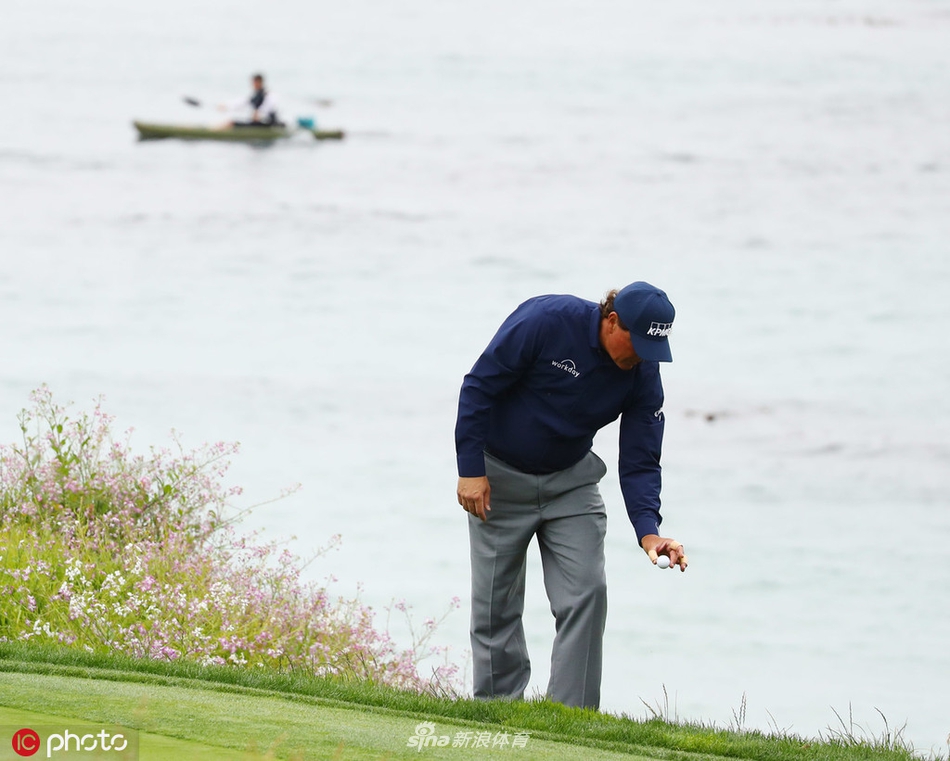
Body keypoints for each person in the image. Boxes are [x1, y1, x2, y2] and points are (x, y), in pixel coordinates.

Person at [455, 281, 688, 711]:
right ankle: (496, 709)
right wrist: (471, 470)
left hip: (571, 485)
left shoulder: (642, 368)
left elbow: (639, 457)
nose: (640, 356)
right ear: (612, 320)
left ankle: (570, 718)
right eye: (636, 344)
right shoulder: (546, 320)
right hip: (499, 481)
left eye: (652, 349)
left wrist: (649, 532)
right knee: (495, 604)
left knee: (587, 594)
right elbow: (479, 386)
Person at [219, 73, 284, 128]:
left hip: (267, 124)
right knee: (231, 122)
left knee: (231, 123)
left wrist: (259, 114)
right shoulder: (256, 95)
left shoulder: (268, 95)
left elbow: (268, 107)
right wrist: (226, 106)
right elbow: (243, 102)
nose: (252, 85)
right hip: (257, 122)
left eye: (254, 83)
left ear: (260, 82)